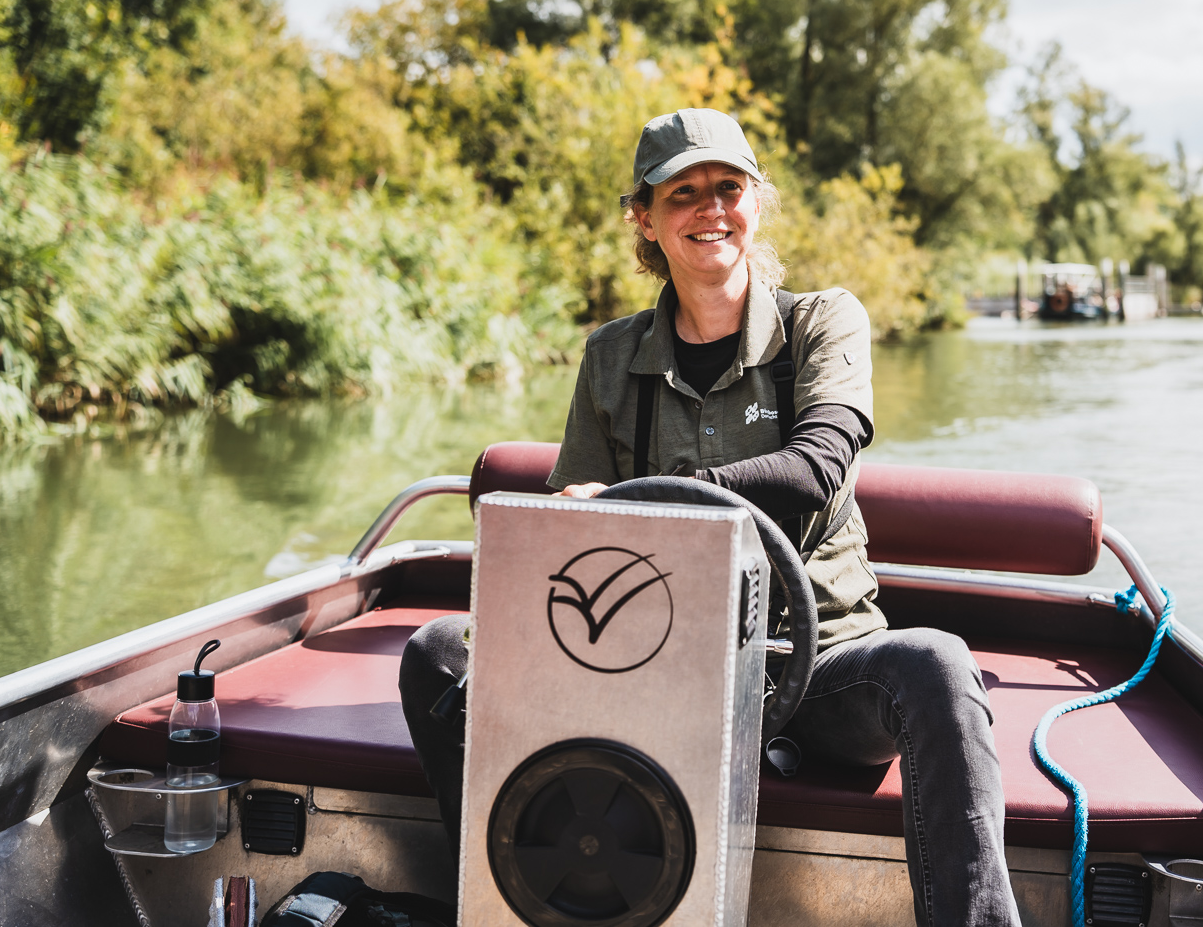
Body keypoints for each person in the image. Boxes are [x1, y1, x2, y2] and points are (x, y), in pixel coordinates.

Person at [399, 108, 1021, 927]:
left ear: (756, 201)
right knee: (436, 655)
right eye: (683, 192)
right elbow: (573, 536)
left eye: (728, 187)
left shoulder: (824, 321)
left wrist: (650, 495)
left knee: (935, 663)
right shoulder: (611, 358)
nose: (710, 208)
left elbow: (814, 469)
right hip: (649, 667)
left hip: (817, 664)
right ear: (645, 218)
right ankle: (509, 910)